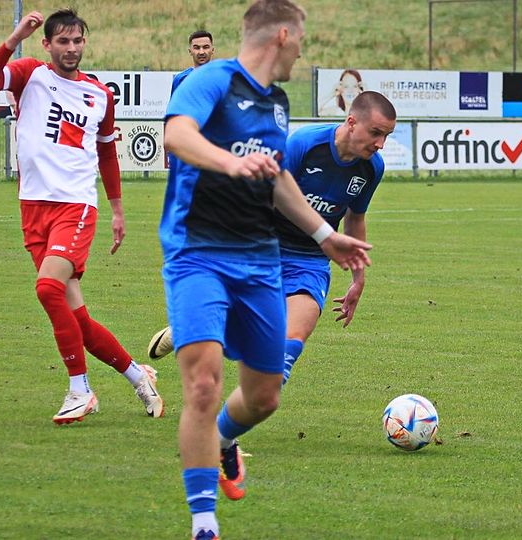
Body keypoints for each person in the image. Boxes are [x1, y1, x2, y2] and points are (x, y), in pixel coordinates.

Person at [161, 2, 372, 538]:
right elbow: (176, 135)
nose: (302, 51)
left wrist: (326, 237)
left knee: (264, 395)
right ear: (282, 35)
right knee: (204, 385)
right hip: (199, 252)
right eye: (300, 39)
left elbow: (277, 179)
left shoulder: (276, 104)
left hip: (258, 260)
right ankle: (204, 521)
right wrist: (231, 162)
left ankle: (225, 441)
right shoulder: (213, 79)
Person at [0, 9, 164, 425]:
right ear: (47, 44)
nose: (72, 48)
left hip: (75, 207)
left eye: (78, 41)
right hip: (33, 207)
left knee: (48, 289)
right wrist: (14, 37)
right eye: (63, 41)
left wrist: (117, 209)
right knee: (77, 317)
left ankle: (80, 389)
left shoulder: (100, 95)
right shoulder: (29, 74)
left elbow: (107, 152)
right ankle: (138, 376)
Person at [150, 91, 397, 386]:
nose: (381, 144)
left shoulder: (372, 168)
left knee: (283, 355)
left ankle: (226, 416)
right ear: (352, 122)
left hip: (310, 261)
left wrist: (358, 278)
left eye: (386, 136)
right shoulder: (304, 144)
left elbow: (354, 219)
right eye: (376, 133)